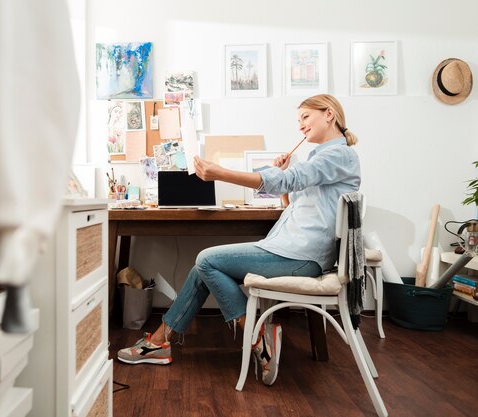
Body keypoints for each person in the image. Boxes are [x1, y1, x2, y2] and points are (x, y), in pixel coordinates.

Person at [117, 94, 361, 386]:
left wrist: (220, 174)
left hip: (301, 258)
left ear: (329, 114)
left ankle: (256, 335)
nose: (301, 126)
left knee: (206, 259)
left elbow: (288, 182)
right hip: (291, 250)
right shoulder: (322, 158)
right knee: (202, 268)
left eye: (305, 118)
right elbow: (292, 203)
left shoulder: (338, 155)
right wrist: (281, 177)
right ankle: (161, 341)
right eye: (299, 121)